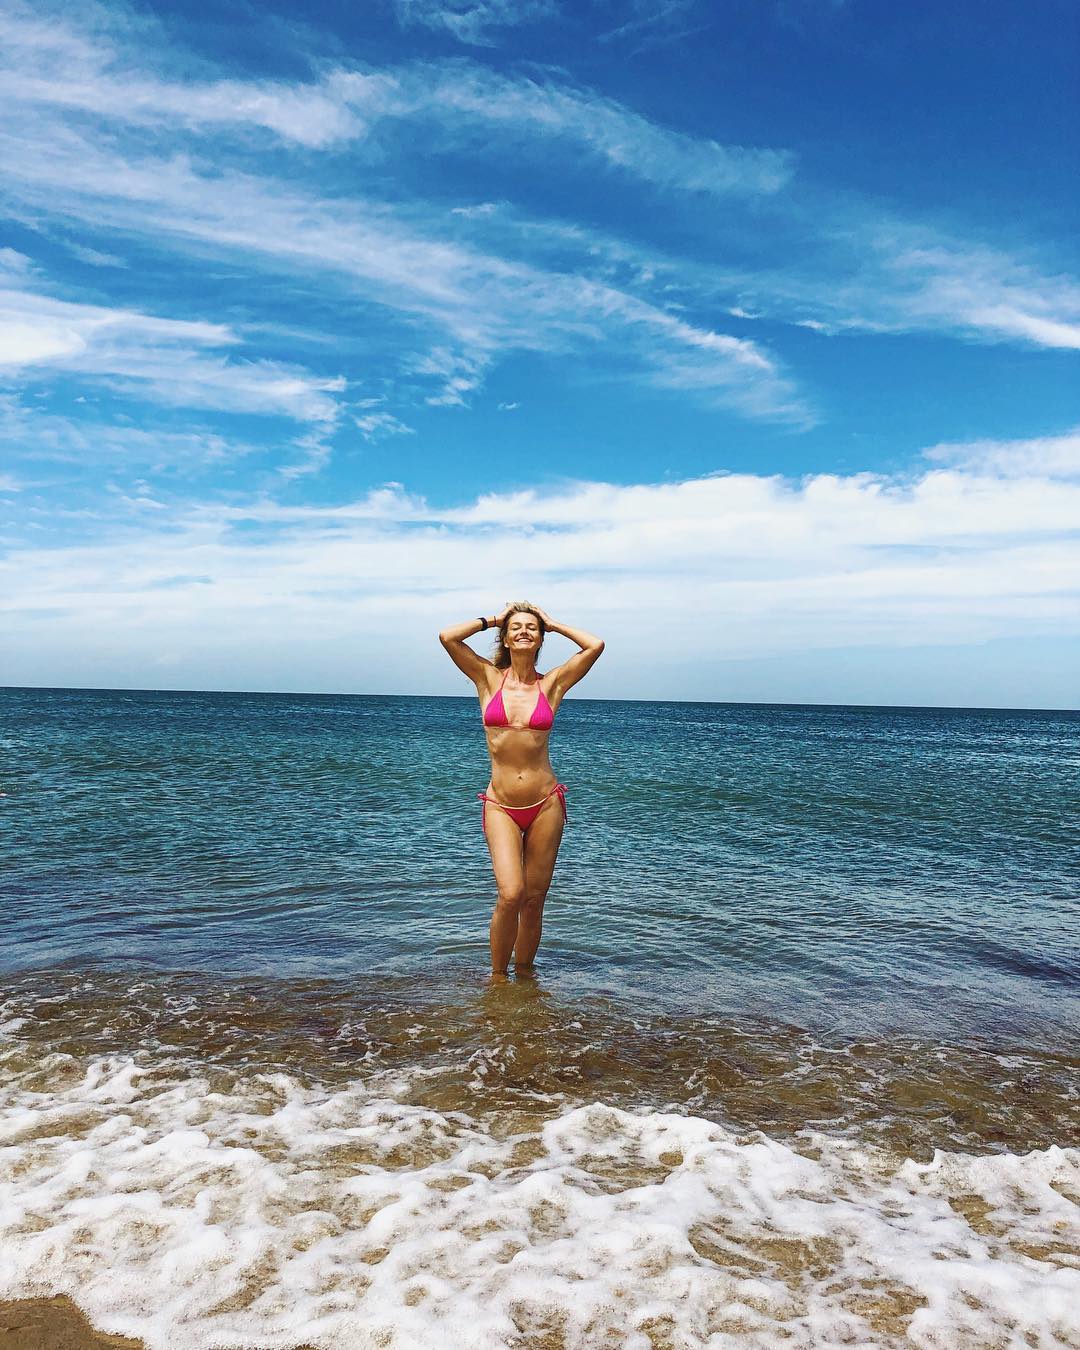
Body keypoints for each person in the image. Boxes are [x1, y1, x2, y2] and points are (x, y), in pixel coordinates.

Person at [438, 603, 604, 978]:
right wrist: (494, 619)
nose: (524, 631)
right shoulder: (487, 679)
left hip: (545, 803)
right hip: (500, 804)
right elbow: (448, 637)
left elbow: (595, 645)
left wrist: (552, 623)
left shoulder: (552, 684)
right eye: (516, 627)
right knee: (511, 893)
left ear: (541, 638)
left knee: (533, 900)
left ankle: (525, 977)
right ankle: (498, 979)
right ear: (506, 638)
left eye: (532, 627)